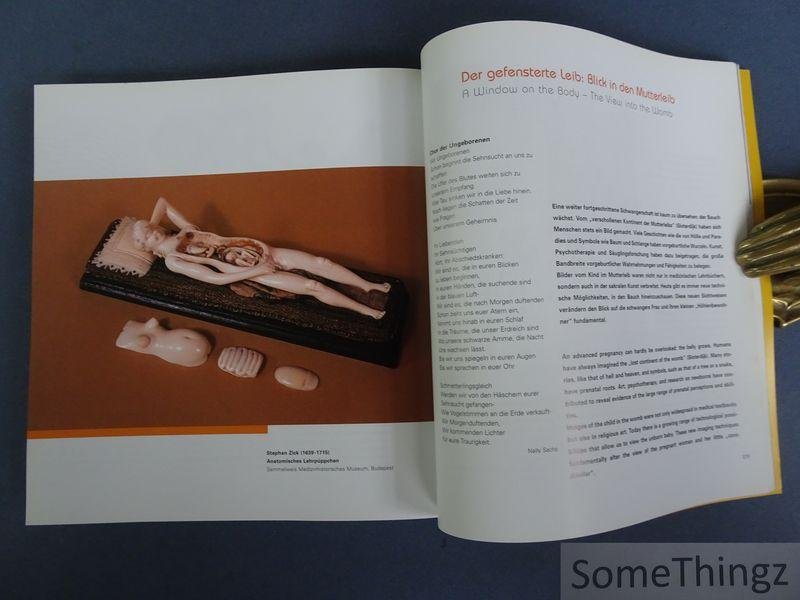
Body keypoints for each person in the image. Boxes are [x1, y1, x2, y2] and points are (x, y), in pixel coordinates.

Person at [132, 197, 389, 319]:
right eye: (149, 236)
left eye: (152, 228)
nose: (154, 231)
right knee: (313, 286)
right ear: (146, 246)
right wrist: (258, 271)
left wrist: (148, 225)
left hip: (264, 249)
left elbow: (162, 202)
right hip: (256, 272)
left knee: (322, 263)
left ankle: (367, 285)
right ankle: (365, 311)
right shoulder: (173, 261)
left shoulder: (186, 230)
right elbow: (214, 279)